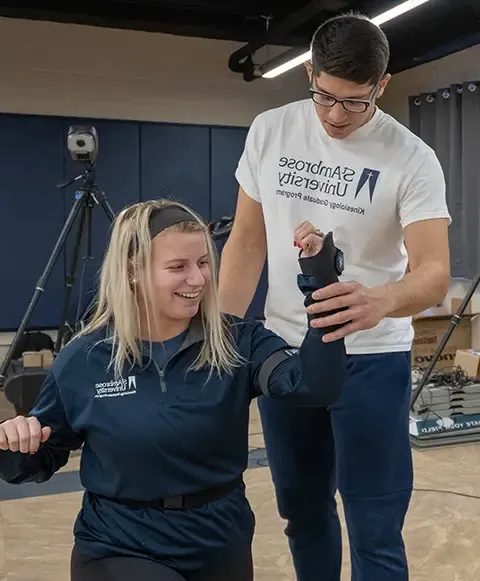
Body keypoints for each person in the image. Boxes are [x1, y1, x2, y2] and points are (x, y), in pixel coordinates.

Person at [218, 12, 451, 581]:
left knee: (374, 526)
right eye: (323, 96)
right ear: (311, 73)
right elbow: (246, 243)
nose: (334, 115)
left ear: (381, 85)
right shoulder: (271, 130)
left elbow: (435, 273)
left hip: (371, 359)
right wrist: (218, 335)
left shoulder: (412, 157)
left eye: (354, 103)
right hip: (285, 354)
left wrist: (380, 300)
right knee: (302, 512)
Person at [0, 199, 347, 581]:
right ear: (133, 271)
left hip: (220, 539)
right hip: (121, 545)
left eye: (202, 263)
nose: (197, 279)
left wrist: (322, 284)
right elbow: (41, 457)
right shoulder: (85, 359)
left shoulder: (237, 342)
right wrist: (13, 444)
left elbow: (315, 386)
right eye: (178, 267)